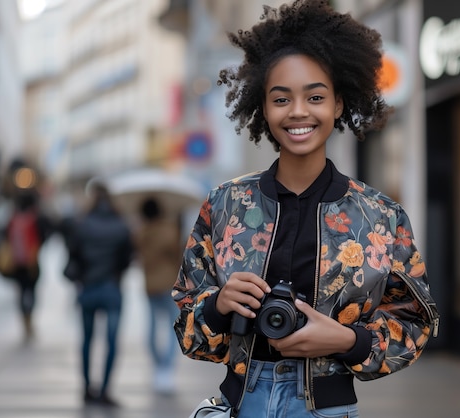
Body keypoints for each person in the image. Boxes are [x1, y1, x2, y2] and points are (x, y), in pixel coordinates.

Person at [172, 1, 440, 417]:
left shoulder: (381, 217)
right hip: (239, 403)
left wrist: (346, 341)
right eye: (282, 99)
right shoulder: (225, 204)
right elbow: (187, 326)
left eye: (315, 96)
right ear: (263, 107)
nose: (298, 112)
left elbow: (416, 324)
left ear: (337, 104)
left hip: (327, 408)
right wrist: (219, 304)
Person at [65, 182, 133, 407]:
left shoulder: (81, 224)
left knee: (87, 340)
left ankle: (86, 388)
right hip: (111, 288)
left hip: (88, 288)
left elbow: (73, 254)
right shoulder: (121, 225)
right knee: (111, 341)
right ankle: (104, 390)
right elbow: (126, 259)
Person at [133, 198, 182, 395]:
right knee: (172, 328)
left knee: (152, 327)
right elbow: (179, 257)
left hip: (150, 285)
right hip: (170, 285)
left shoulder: (141, 233)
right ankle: (166, 368)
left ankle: (158, 363)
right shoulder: (170, 231)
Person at [3, 192, 51, 340]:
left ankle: (24, 320)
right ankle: (30, 319)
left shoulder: (13, 219)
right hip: (32, 262)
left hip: (17, 263)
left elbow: (5, 237)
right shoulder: (35, 218)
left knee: (21, 291)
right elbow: (43, 236)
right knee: (32, 291)